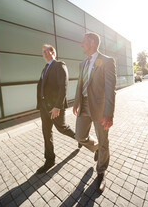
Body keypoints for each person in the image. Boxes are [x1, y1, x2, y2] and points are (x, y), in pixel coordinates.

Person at [73, 32, 116, 192]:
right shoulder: (82, 63)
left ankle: (101, 171)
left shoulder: (107, 61)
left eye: (83, 42)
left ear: (91, 42)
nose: (81, 44)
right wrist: (76, 102)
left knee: (103, 140)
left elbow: (110, 89)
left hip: (99, 107)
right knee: (79, 136)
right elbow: (80, 84)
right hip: (83, 105)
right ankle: (96, 148)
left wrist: (109, 113)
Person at [36, 44, 76, 174]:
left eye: (46, 51)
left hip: (54, 107)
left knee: (62, 128)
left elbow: (63, 86)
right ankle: (50, 160)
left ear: (53, 52)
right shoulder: (44, 68)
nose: (44, 54)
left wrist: (58, 106)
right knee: (46, 133)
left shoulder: (59, 65)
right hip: (44, 107)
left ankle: (81, 139)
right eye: (43, 52)